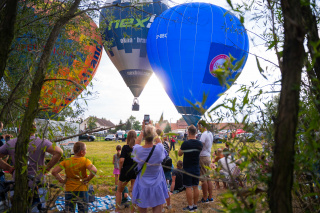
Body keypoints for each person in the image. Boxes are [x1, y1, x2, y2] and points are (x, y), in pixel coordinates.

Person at [132, 122, 168, 213]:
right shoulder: (159, 149)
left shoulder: (138, 150)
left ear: (144, 136)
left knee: (142, 208)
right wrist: (154, 130)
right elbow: (159, 142)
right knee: (157, 207)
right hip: (157, 183)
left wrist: (142, 131)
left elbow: (137, 143)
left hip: (142, 184)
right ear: (153, 136)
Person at [52, 142, 97, 213]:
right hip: (82, 189)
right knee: (83, 210)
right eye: (85, 150)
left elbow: (54, 171)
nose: (86, 151)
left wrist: (62, 180)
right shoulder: (85, 160)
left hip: (69, 190)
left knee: (69, 210)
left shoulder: (66, 161)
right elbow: (94, 170)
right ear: (82, 152)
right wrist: (88, 179)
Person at [178, 125, 203, 212]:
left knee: (188, 187)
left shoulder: (186, 143)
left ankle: (190, 206)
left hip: (187, 168)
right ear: (196, 132)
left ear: (188, 132)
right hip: (196, 167)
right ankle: (195, 205)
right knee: (196, 187)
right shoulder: (199, 143)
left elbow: (179, 154)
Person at [115, 130, 137, 213]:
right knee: (134, 191)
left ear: (127, 137)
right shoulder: (138, 147)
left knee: (119, 191)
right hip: (135, 171)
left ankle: (117, 210)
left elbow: (121, 161)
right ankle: (133, 211)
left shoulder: (125, 147)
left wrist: (120, 169)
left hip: (126, 171)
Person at [198, 123, 214, 203]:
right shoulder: (210, 133)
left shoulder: (204, 134)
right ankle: (210, 197)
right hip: (208, 156)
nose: (198, 128)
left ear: (201, 126)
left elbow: (200, 145)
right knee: (208, 177)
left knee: (203, 179)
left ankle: (205, 198)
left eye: (198, 126)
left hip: (203, 157)